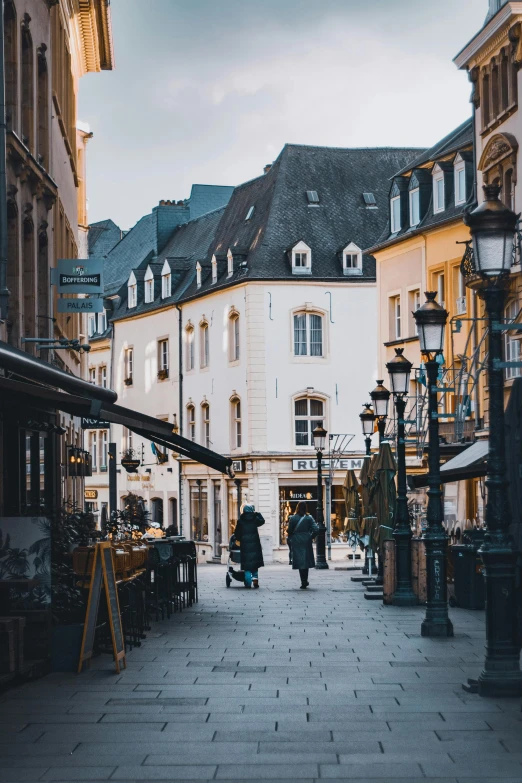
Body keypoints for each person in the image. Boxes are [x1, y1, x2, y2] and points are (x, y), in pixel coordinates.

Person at [287, 501, 320, 589]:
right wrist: (311, 536)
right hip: (306, 540)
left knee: (300, 560)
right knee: (305, 560)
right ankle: (305, 580)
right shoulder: (309, 518)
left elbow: (289, 530)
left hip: (296, 540)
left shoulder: (293, 518)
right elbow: (316, 529)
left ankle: (303, 581)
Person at [234, 504, 265, 588]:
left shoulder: (241, 521)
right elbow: (262, 521)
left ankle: (248, 582)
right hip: (255, 544)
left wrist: (240, 538)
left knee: (247, 565)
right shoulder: (254, 519)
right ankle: (255, 580)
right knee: (254, 564)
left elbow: (237, 533)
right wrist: (257, 513)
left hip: (245, 545)